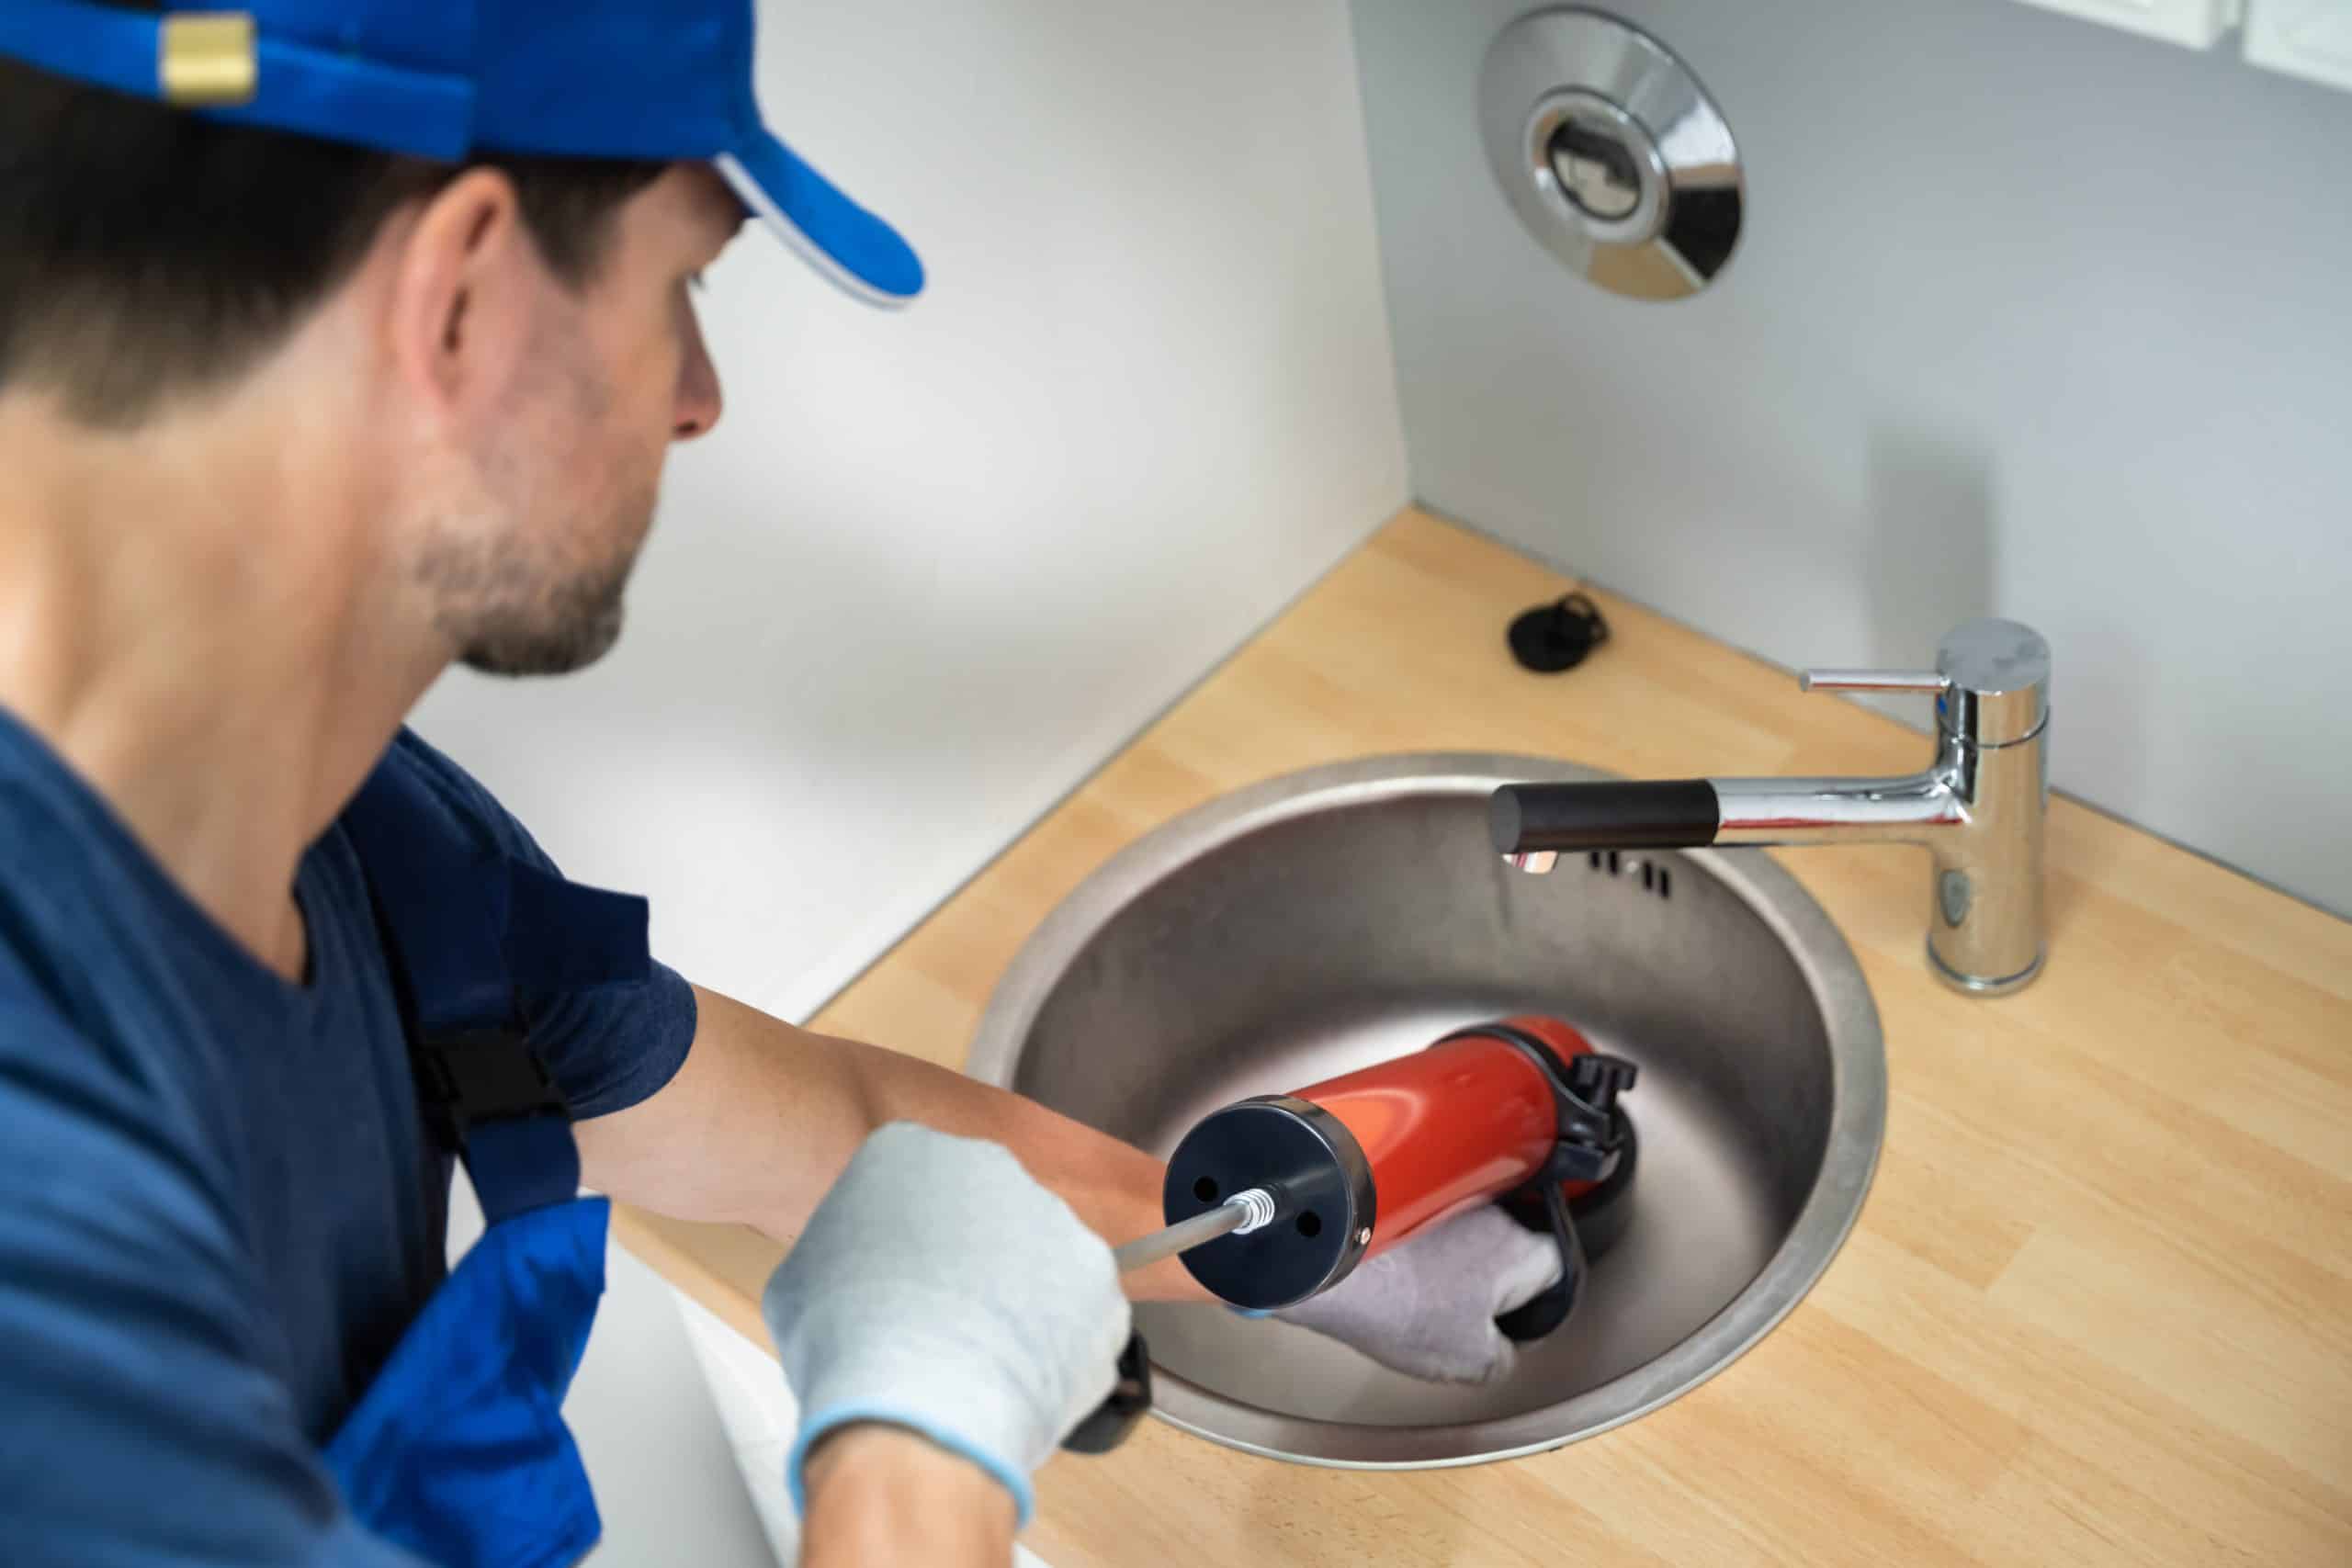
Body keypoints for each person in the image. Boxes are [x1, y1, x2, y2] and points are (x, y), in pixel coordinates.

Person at [0, 2, 1564, 1564]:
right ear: (462, 294)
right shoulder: (39, 1237)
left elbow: (840, 1126)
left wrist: (1309, 1236)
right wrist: (914, 1453)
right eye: (681, 282)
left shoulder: (354, 841)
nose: (697, 391)